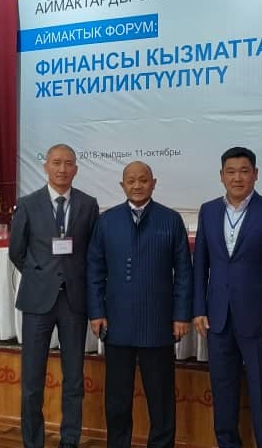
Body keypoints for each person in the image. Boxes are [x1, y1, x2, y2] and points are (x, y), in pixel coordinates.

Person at [192, 146, 262, 448]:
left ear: (255, 174)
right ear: (221, 176)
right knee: (223, 394)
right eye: (231, 171)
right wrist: (199, 308)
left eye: (244, 171)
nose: (237, 177)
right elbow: (200, 265)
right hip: (218, 320)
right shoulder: (208, 210)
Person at [86, 161, 193, 448]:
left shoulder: (170, 220)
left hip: (158, 324)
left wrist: (181, 315)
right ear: (122, 185)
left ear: (153, 183)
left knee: (161, 398)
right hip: (116, 323)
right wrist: (96, 312)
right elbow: (94, 269)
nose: (137, 185)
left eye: (143, 180)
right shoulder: (107, 221)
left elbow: (184, 272)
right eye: (131, 180)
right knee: (117, 399)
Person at [9, 143, 100, 448]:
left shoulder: (88, 204)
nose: (62, 169)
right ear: (45, 166)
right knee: (32, 380)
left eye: (68, 163)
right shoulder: (27, 204)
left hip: (74, 301)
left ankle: (69, 440)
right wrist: (41, 274)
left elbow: (93, 252)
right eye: (57, 162)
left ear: (76, 168)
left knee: (73, 378)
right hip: (38, 300)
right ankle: (33, 441)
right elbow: (17, 251)